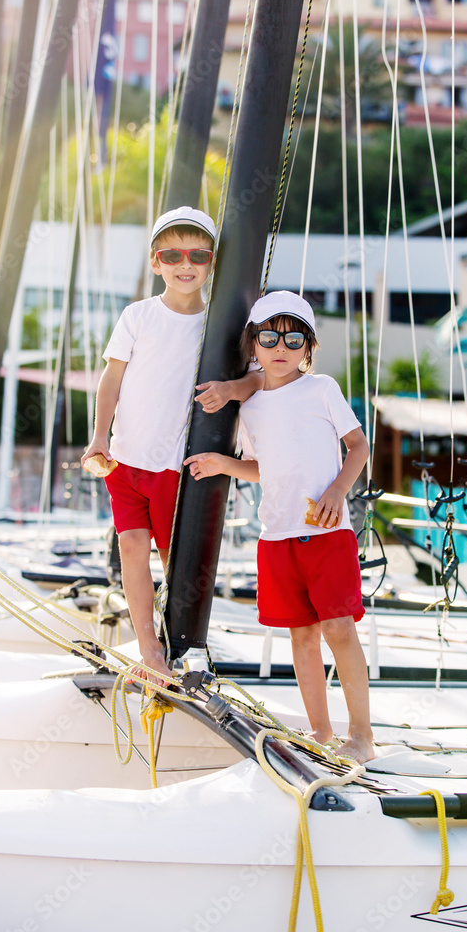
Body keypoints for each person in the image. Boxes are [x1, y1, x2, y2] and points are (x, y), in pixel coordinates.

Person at [185, 291, 375, 764]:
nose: (280, 347)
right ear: (254, 343)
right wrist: (224, 464)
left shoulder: (322, 389)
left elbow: (358, 447)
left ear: (308, 346)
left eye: (293, 338)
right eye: (269, 336)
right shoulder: (249, 409)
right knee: (301, 637)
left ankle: (363, 736)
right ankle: (320, 731)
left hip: (327, 531)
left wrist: (336, 492)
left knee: (339, 630)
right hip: (276, 536)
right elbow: (261, 466)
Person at [81, 206, 263, 685]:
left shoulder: (220, 326)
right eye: (173, 254)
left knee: (175, 559)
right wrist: (99, 437)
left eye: (198, 255)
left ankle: (184, 644)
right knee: (131, 550)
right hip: (125, 459)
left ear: (211, 263)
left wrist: (230, 390)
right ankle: (149, 649)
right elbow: (110, 379)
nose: (186, 263)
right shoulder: (137, 316)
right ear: (156, 261)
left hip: (173, 467)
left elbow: (259, 377)